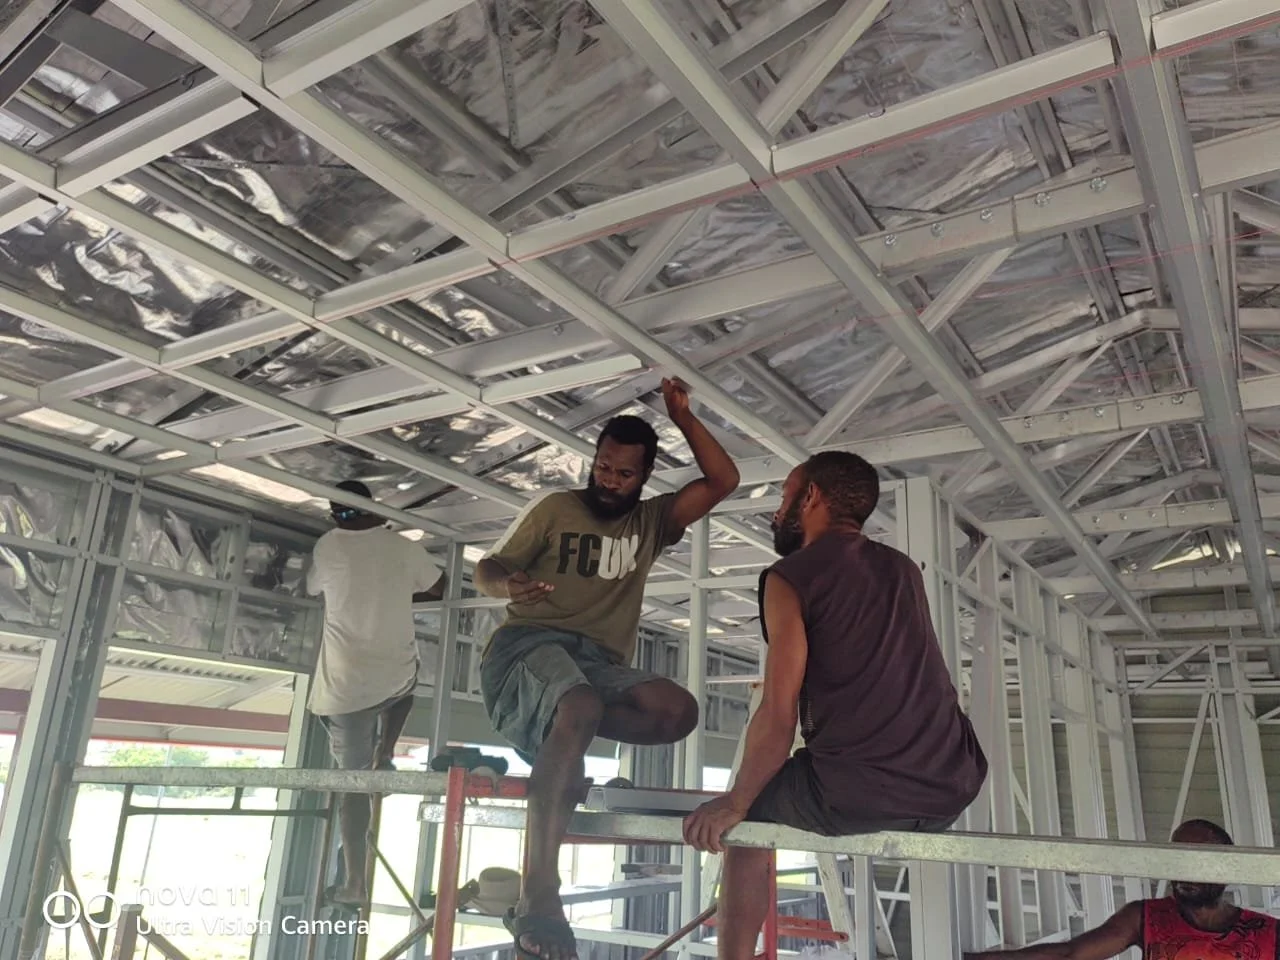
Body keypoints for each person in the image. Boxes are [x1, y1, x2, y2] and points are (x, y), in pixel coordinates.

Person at [683, 451, 989, 960]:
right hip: (953, 784)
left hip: (863, 791)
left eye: (785, 495)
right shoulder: (903, 569)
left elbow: (779, 712)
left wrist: (736, 803)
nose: (779, 510)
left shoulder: (790, 576)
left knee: (748, 829)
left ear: (811, 497)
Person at [475, 378, 740, 960]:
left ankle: (559, 743)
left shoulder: (650, 523)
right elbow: (488, 568)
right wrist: (510, 584)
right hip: (525, 647)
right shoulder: (556, 508)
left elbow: (724, 481)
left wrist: (684, 417)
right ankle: (539, 892)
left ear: (644, 477)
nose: (609, 481)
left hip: (595, 662)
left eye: (624, 474)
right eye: (602, 467)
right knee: (581, 705)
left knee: (678, 712)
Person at [305, 480, 447, 908]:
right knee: (407, 685)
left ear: (335, 514)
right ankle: (385, 750)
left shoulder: (328, 547)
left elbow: (312, 588)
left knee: (353, 788)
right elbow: (440, 588)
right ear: (373, 507)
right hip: (394, 672)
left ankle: (353, 883)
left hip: (346, 687)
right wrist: (400, 589)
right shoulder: (401, 547)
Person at [964, 819, 1278, 960]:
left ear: (1228, 869)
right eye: (1175, 858)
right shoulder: (1147, 918)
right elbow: (1070, 954)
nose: (1183, 872)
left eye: (1197, 861)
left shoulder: (1268, 934)